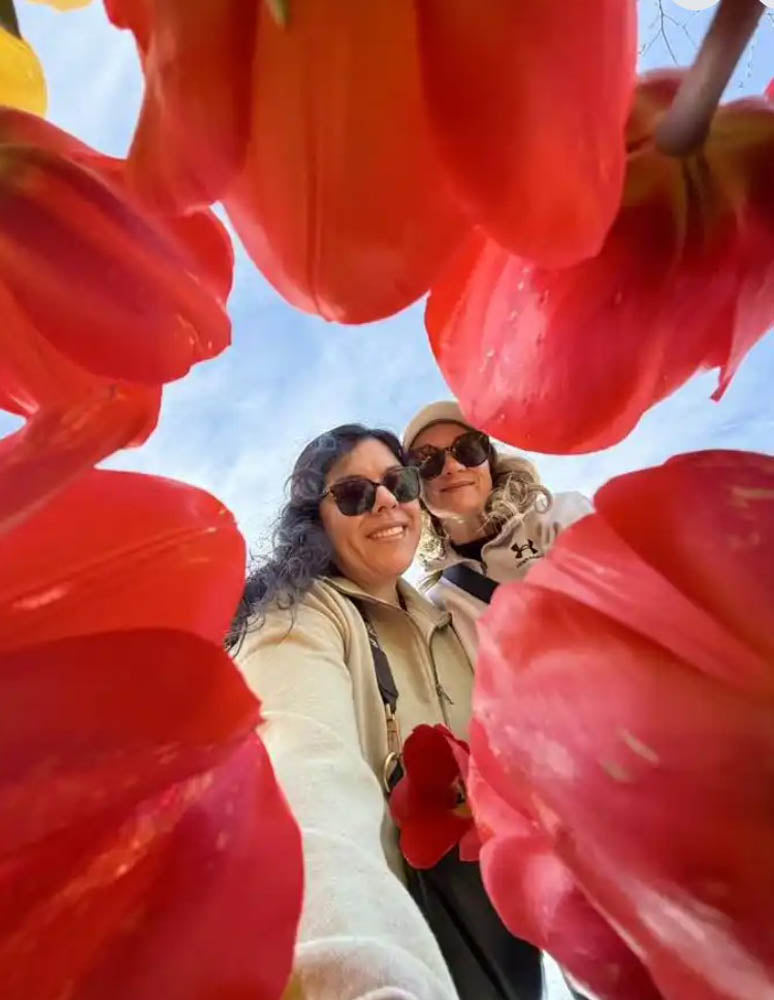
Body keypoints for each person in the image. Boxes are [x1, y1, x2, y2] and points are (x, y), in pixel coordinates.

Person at [229, 424, 541, 1000]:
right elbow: (303, 780)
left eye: (398, 481)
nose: (385, 502)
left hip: (499, 956)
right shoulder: (295, 616)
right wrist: (359, 978)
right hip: (393, 962)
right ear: (314, 520)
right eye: (352, 494)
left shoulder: (457, 620)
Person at [403, 401, 593, 664]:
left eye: (468, 449)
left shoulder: (560, 516)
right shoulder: (439, 607)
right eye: (426, 460)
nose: (452, 467)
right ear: (415, 488)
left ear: (489, 463)